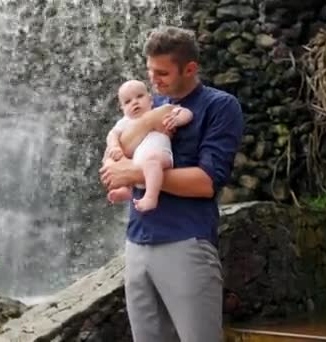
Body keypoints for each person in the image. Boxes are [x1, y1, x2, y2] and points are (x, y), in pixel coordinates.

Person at [99, 26, 244, 342]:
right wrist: (151, 121)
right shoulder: (146, 106)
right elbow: (118, 150)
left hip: (186, 242)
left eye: (162, 72)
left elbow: (205, 183)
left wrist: (136, 175)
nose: (154, 79)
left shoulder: (220, 106)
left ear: (190, 69)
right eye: (150, 70)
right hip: (136, 243)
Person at [103, 79, 193, 211]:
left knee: (151, 162)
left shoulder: (160, 111)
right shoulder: (124, 122)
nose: (135, 102)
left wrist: (178, 120)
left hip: (159, 156)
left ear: (151, 99)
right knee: (120, 161)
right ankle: (126, 190)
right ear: (122, 109)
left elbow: (185, 112)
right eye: (128, 102)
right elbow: (112, 135)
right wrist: (115, 147)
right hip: (136, 162)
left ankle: (151, 197)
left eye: (139, 96)